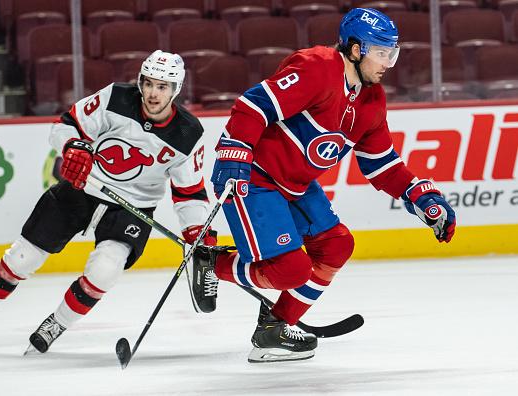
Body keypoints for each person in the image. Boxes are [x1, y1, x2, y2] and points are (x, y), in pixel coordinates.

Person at [187, 8, 456, 363]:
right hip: (252, 176)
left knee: (336, 246)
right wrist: (236, 149)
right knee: (290, 270)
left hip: (295, 185)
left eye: (392, 53)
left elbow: (381, 164)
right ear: (356, 49)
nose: (388, 62)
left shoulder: (372, 100)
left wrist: (419, 193)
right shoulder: (317, 66)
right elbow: (254, 104)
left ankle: (275, 326)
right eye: (381, 52)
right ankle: (213, 263)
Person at [0, 50, 217, 353]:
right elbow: (65, 124)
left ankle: (57, 322)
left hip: (132, 209)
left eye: (162, 87)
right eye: (148, 83)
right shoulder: (116, 97)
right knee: (21, 258)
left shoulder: (188, 132)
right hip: (81, 188)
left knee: (105, 270)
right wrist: (73, 146)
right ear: (140, 81)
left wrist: (196, 230)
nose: (152, 93)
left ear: (175, 89)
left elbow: (190, 192)